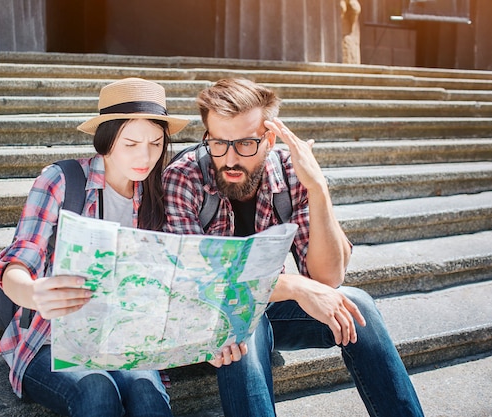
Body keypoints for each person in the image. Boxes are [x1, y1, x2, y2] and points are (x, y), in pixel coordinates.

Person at [162, 78, 424, 417]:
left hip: (271, 303)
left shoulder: (289, 170)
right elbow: (198, 281)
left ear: (269, 140)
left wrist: (318, 188)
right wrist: (294, 285)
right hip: (209, 312)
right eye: (218, 143)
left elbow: (327, 278)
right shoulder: (183, 177)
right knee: (244, 322)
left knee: (359, 306)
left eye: (245, 144)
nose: (229, 159)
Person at [0, 77, 189, 417]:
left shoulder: (157, 193)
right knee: (97, 392)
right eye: (130, 144)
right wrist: (34, 292)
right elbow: (17, 263)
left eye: (156, 144)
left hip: (123, 338)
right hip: (51, 338)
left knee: (148, 398)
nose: (144, 157)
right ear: (106, 138)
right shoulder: (62, 180)